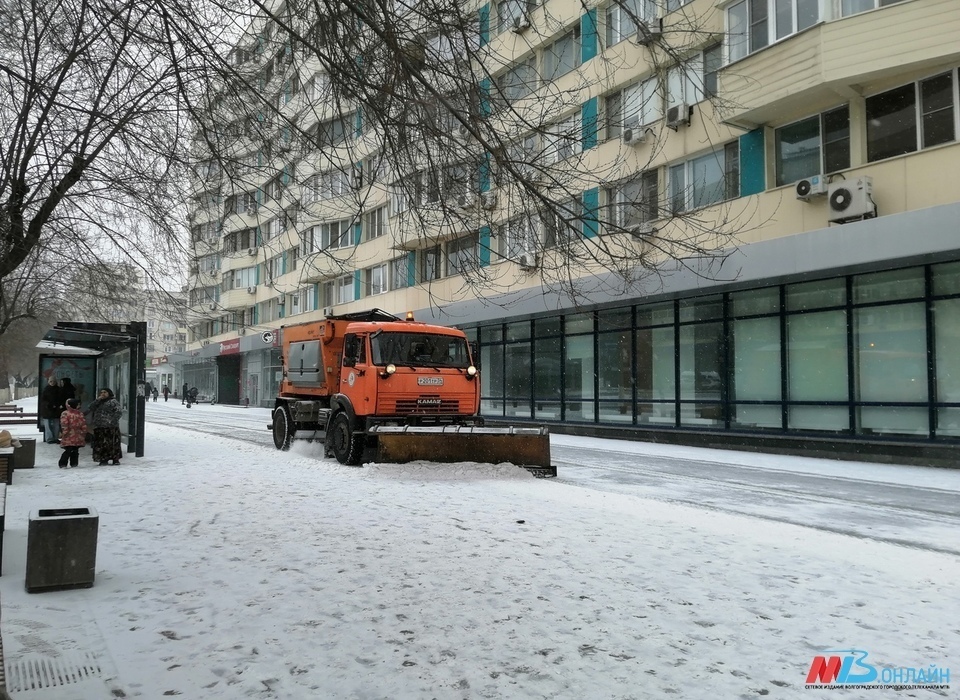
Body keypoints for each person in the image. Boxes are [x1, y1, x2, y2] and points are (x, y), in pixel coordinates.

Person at [86, 388, 123, 465]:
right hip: (99, 426)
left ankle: (115, 459)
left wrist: (111, 421)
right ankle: (103, 458)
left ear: (109, 393)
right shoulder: (98, 402)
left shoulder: (113, 402)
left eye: (105, 392)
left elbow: (118, 412)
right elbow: (90, 408)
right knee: (101, 443)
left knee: (112, 443)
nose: (103, 394)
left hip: (111, 427)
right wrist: (97, 400)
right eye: (101, 392)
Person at [58, 398, 86, 468]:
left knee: (75, 449)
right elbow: (64, 424)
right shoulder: (66, 413)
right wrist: (65, 431)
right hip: (71, 434)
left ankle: (73, 463)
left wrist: (83, 430)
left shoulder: (78, 413)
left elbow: (83, 423)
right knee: (69, 449)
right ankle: (64, 463)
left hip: (75, 434)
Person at [39, 375, 63, 443]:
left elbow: (60, 399)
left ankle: (55, 438)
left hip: (56, 409)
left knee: (56, 424)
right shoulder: (46, 390)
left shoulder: (58, 390)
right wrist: (49, 405)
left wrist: (56, 405)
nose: (52, 382)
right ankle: (49, 438)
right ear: (48, 382)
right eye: (51, 381)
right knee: (48, 425)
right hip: (47, 410)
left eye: (53, 381)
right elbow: (43, 400)